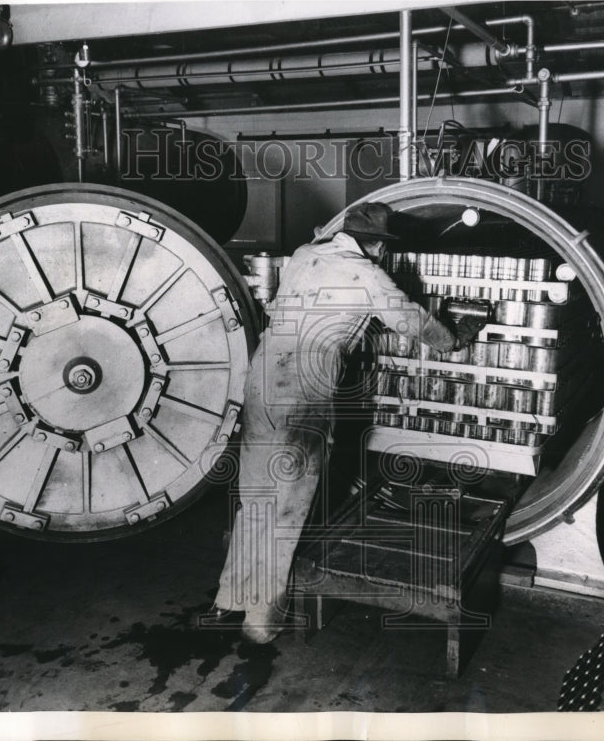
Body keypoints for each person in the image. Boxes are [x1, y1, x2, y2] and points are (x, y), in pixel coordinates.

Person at [206, 202, 483, 644]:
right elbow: (413, 321)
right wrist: (455, 338)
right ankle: (260, 621)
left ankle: (228, 599)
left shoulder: (303, 255)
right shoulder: (367, 273)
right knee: (289, 502)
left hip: (262, 374)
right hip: (304, 386)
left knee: (256, 492)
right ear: (375, 245)